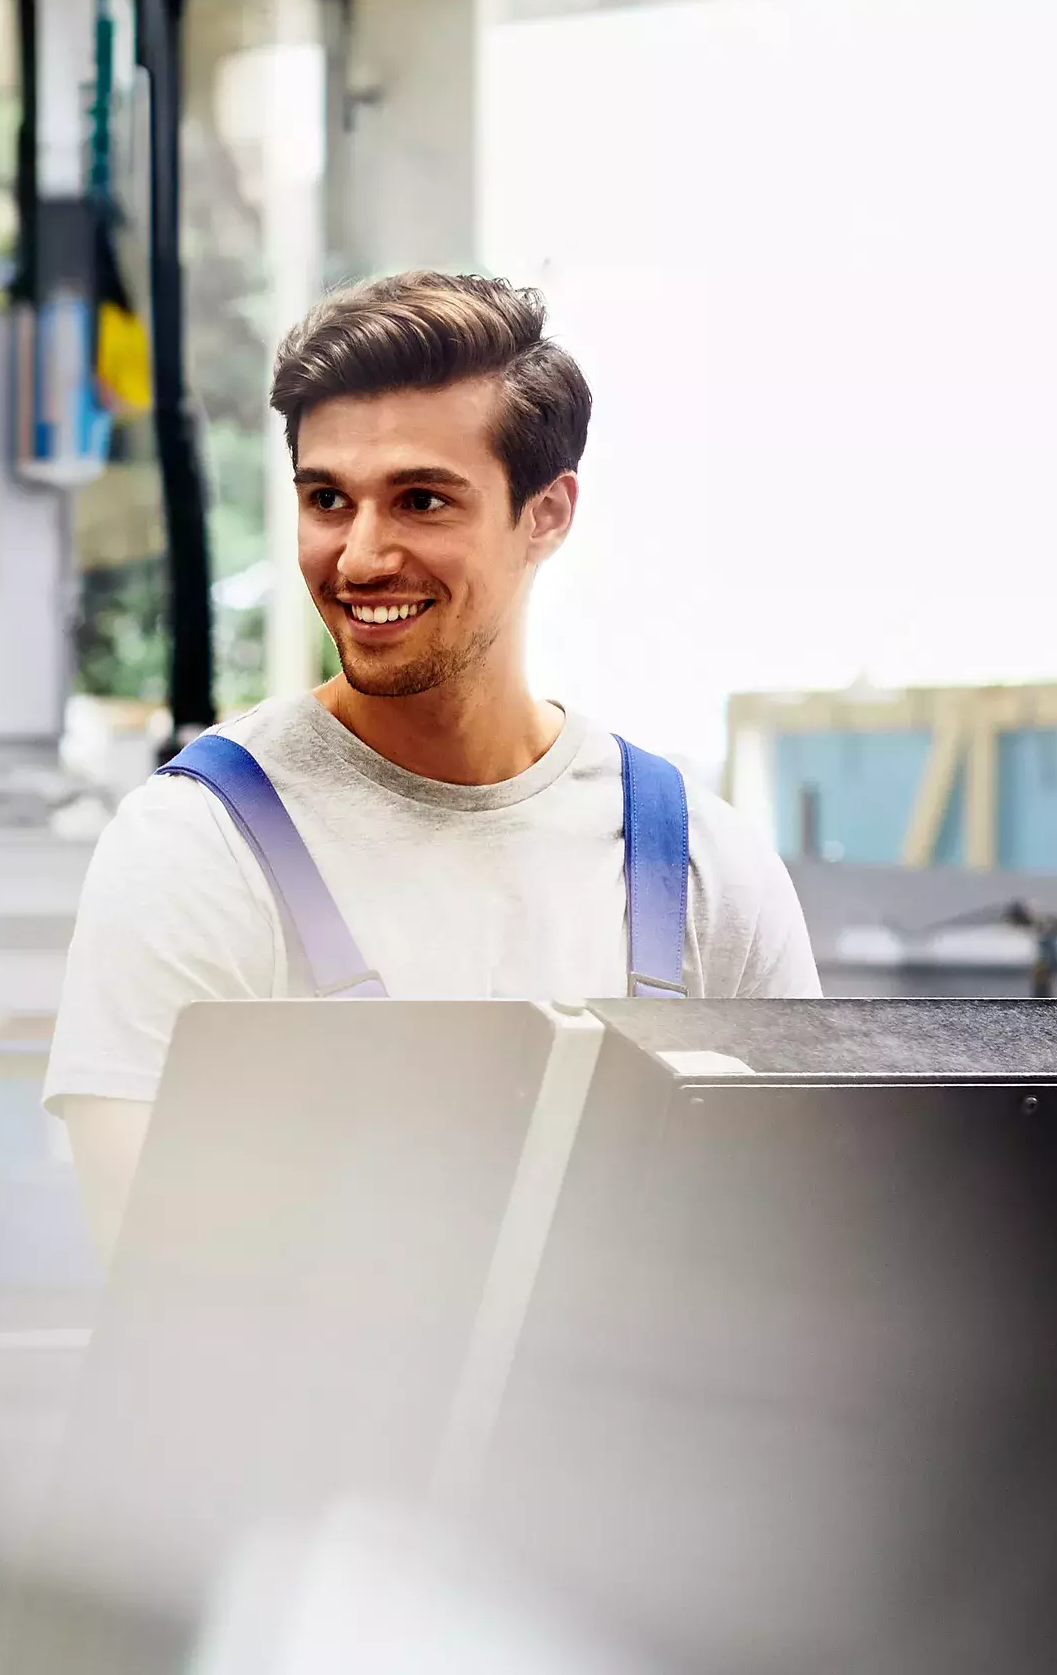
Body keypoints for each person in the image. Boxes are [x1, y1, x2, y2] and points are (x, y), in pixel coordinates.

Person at [44, 271, 821, 1251]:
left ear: (546, 512)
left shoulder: (708, 867)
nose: (361, 556)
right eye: (328, 499)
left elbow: (798, 1250)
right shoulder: (197, 846)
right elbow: (152, 1276)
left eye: (420, 500)